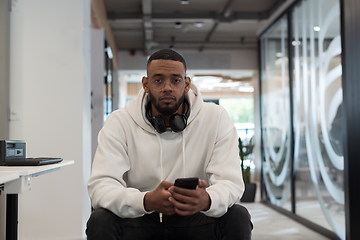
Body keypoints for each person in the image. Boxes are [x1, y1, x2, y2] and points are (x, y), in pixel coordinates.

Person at [86, 49, 253, 240]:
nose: (167, 87)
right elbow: (100, 186)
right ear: (146, 84)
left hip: (196, 219)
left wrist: (207, 199)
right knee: (100, 219)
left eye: (175, 80)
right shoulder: (120, 121)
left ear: (187, 84)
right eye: (158, 80)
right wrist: (146, 201)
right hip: (141, 217)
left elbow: (231, 183)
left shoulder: (215, 118)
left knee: (238, 215)